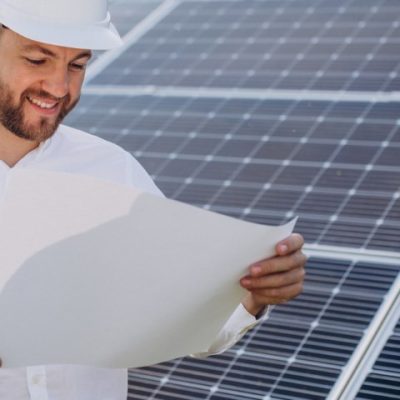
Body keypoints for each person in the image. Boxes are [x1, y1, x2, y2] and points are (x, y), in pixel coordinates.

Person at [0, 0, 306, 399]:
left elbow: (184, 327)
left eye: (77, 65)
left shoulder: (112, 171)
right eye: (38, 60)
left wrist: (253, 295)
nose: (60, 87)